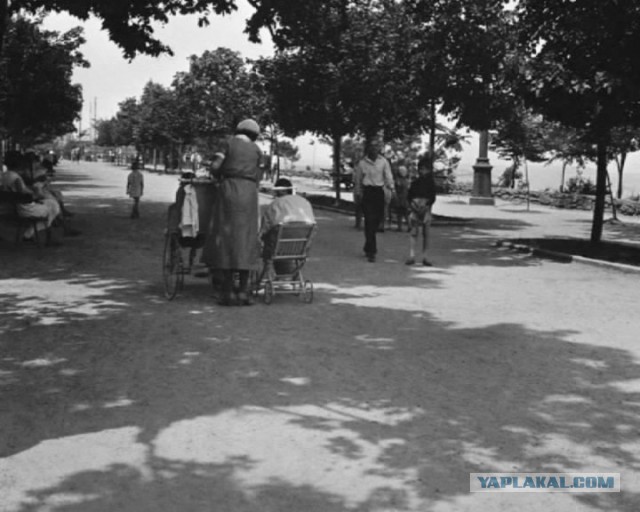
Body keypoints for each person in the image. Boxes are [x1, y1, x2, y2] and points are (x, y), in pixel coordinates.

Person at [202, 118, 262, 306]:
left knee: (227, 239)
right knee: (246, 239)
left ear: (237, 130)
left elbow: (215, 167)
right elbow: (259, 175)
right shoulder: (257, 150)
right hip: (250, 194)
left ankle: (227, 292)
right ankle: (243, 292)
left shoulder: (227, 144)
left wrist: (218, 177)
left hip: (229, 191)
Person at [260, 178, 315, 273]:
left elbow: (265, 227)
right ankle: (294, 274)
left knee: (271, 241)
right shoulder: (304, 202)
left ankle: (267, 273)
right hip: (301, 247)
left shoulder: (276, 204)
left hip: (279, 247)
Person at [353, 140, 395, 262]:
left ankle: (367, 245)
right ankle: (372, 251)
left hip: (378, 192)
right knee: (369, 221)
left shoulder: (383, 162)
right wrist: (358, 194)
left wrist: (392, 190)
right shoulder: (362, 163)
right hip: (367, 192)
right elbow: (358, 180)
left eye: (376, 148)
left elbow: (388, 176)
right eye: (371, 148)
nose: (374, 150)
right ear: (368, 150)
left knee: (377, 220)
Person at [405, 154, 437, 267]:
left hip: (426, 209)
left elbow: (433, 197)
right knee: (413, 232)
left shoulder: (431, 183)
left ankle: (425, 256)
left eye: (425, 169)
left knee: (426, 233)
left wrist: (426, 205)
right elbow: (409, 196)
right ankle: (412, 255)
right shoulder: (415, 183)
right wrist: (413, 204)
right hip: (415, 208)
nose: (422, 171)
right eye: (421, 169)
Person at [392, 164, 411, 232]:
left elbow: (397, 189)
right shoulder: (407, 180)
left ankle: (402, 227)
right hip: (405, 198)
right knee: (404, 213)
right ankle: (408, 226)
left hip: (401, 198)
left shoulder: (398, 180)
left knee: (401, 213)